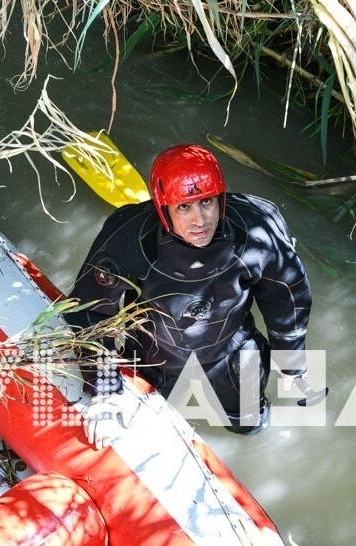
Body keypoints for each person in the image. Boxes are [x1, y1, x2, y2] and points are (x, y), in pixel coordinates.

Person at [65, 144, 318, 447]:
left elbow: (288, 296)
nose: (200, 220)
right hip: (153, 350)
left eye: (206, 202)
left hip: (230, 350)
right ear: (163, 209)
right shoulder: (129, 239)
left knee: (250, 426)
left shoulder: (256, 229)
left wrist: (290, 360)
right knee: (140, 430)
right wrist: (103, 388)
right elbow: (89, 312)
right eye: (184, 207)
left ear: (221, 199)